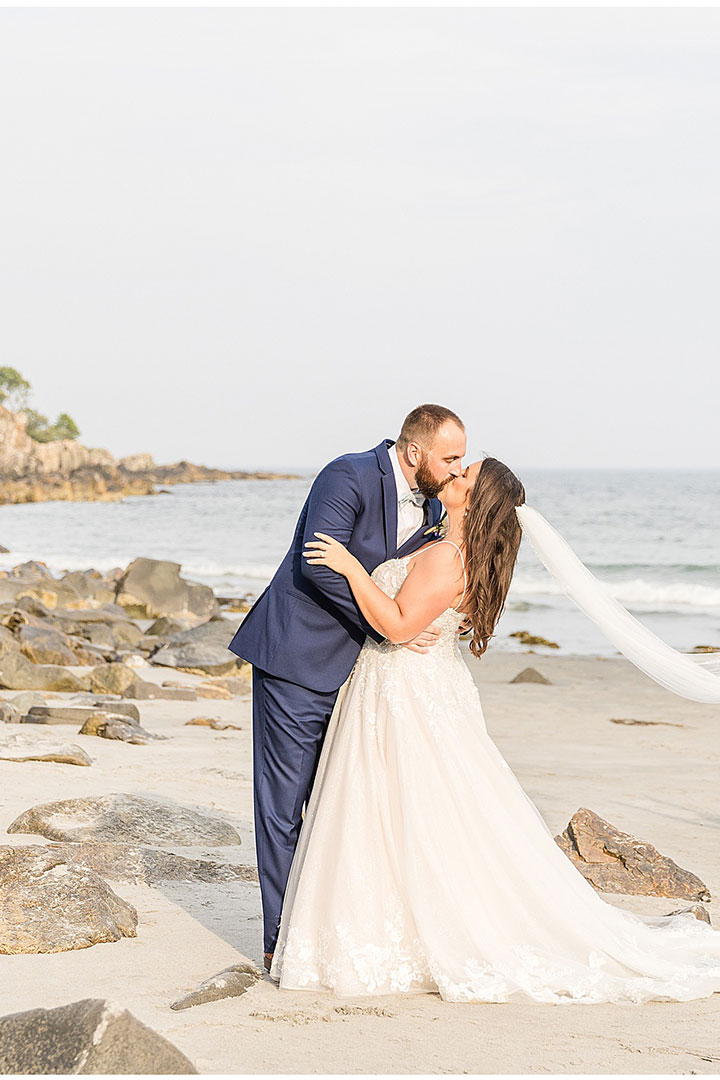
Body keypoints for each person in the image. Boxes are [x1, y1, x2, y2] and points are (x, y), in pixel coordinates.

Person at [266, 456, 720, 1004]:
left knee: (403, 807)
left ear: (476, 502)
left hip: (404, 691)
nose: (451, 478)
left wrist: (349, 566)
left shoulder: (445, 557)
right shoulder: (455, 550)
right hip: (422, 687)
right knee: (421, 810)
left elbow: (396, 624)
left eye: (464, 478)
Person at [227, 404, 467, 972]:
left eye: (462, 460)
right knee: (284, 806)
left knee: (347, 804)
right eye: (450, 457)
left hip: (369, 679)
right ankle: (279, 941)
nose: (458, 470)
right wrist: (388, 628)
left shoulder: (436, 504)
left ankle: (333, 928)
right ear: (414, 453)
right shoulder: (348, 474)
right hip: (300, 658)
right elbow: (318, 564)